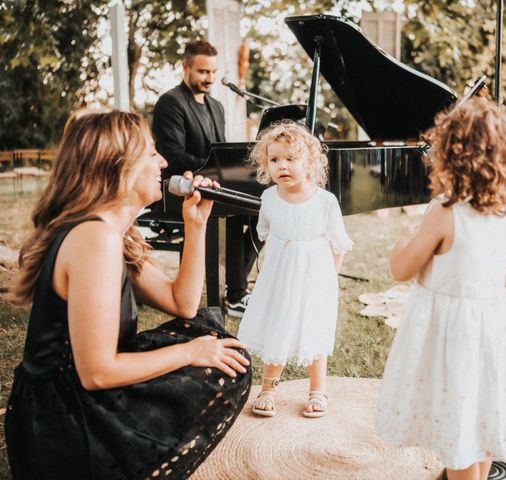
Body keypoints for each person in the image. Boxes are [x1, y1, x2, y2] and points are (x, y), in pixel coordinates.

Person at [5, 110, 252, 480]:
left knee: (207, 335)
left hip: (73, 392)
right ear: (118, 166)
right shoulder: (94, 239)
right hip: (64, 417)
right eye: (151, 153)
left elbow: (182, 304)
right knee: (209, 357)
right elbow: (97, 372)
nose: (164, 163)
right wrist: (189, 352)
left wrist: (195, 225)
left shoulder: (111, 233)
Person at [375, 98, 506, 480]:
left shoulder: (444, 212)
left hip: (450, 335)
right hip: (488, 327)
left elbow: (401, 269)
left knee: (457, 424)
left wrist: (404, 237)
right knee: (479, 417)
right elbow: (502, 264)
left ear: (450, 154)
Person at [237, 121, 352, 418]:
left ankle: (317, 391)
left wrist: (328, 280)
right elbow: (267, 234)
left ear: (310, 162)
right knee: (278, 325)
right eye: (274, 160)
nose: (282, 166)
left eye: (291, 158)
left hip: (315, 280)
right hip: (278, 280)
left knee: (313, 330)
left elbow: (338, 245)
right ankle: (269, 388)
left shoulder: (325, 202)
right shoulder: (269, 199)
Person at [152, 39, 261, 317]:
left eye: (212, 72)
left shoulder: (217, 106)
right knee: (236, 208)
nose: (209, 78)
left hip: (213, 183)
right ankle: (235, 295)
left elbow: (220, 149)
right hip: (181, 189)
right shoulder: (170, 102)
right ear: (185, 67)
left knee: (262, 208)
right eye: (202, 72)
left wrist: (231, 171)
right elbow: (173, 155)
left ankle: (236, 291)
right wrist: (215, 172)